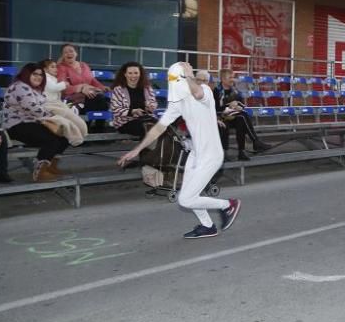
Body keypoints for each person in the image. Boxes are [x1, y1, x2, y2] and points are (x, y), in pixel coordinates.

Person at [118, 62, 240, 239]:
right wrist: (136, 150)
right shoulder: (179, 102)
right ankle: (208, 226)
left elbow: (197, 93)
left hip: (211, 154)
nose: (173, 83)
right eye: (172, 80)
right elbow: (159, 128)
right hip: (196, 153)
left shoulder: (204, 90)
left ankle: (228, 205)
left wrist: (189, 75)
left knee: (186, 200)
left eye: (176, 79)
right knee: (188, 194)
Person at [2, 63, 70, 181]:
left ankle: (50, 167)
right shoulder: (20, 86)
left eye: (41, 75)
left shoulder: (36, 89)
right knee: (51, 140)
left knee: (65, 137)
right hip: (16, 125)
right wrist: (54, 117)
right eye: (35, 74)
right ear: (26, 74)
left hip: (33, 123)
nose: (39, 77)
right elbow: (33, 108)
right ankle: (40, 172)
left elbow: (45, 106)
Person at [212, 68, 269, 160]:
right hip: (222, 118)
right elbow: (216, 108)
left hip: (234, 117)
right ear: (223, 79)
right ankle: (255, 142)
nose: (232, 79)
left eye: (233, 77)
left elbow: (242, 104)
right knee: (242, 116)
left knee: (241, 119)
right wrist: (229, 105)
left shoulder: (235, 90)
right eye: (230, 77)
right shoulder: (217, 91)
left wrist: (239, 107)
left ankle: (242, 152)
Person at [40, 58, 88, 146]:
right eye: (52, 67)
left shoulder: (52, 78)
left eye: (56, 67)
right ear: (45, 69)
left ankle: (80, 133)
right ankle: (76, 137)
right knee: (68, 118)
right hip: (49, 104)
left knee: (70, 118)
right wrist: (64, 84)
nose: (55, 69)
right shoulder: (45, 77)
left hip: (56, 103)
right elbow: (53, 88)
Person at [55, 43, 110, 116]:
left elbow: (92, 80)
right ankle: (91, 124)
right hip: (72, 98)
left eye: (71, 51)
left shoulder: (84, 65)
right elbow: (63, 88)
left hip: (90, 95)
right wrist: (81, 88)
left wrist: (102, 87)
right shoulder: (61, 68)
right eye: (65, 52)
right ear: (62, 55)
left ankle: (96, 125)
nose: (69, 53)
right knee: (99, 99)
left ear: (76, 53)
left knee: (100, 99)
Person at [109, 61, 158, 140]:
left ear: (140, 74)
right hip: (125, 122)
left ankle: (152, 150)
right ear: (125, 74)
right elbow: (115, 109)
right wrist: (132, 111)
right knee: (146, 129)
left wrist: (151, 107)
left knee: (161, 126)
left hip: (145, 118)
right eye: (130, 73)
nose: (133, 76)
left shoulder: (147, 88)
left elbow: (153, 103)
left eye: (136, 73)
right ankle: (145, 151)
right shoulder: (118, 90)